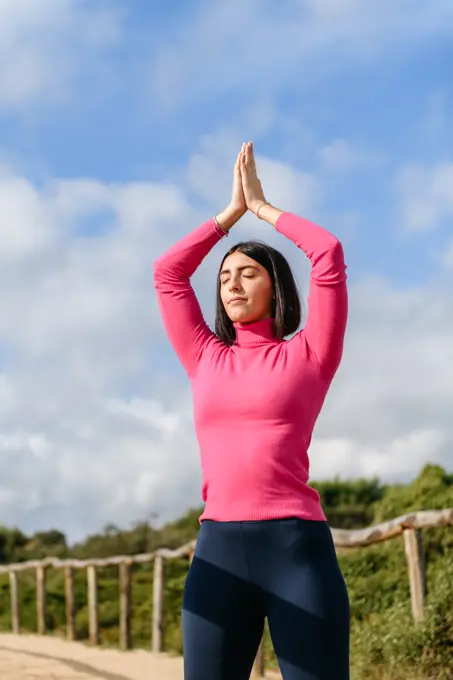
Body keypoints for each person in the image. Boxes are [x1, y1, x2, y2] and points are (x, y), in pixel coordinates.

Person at [153, 141, 350, 680]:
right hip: (216, 550)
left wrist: (262, 210)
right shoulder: (204, 355)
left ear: (275, 284)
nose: (231, 282)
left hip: (296, 551)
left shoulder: (310, 353)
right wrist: (227, 217)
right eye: (223, 276)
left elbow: (327, 253)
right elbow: (168, 272)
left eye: (247, 273)